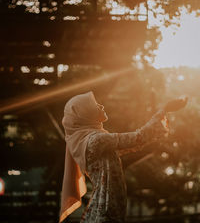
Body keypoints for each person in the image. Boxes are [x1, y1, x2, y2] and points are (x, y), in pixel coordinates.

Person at [59, 91, 188, 223]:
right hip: (105, 207)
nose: (101, 106)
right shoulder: (97, 140)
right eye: (95, 105)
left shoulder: (91, 140)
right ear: (85, 113)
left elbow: (134, 144)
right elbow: (138, 137)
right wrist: (165, 109)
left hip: (106, 203)